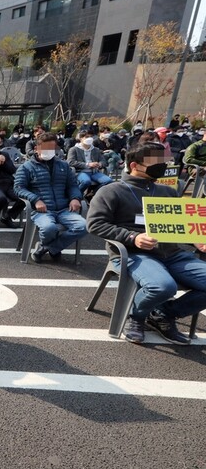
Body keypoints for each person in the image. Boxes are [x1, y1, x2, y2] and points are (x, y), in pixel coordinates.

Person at [86, 142, 206, 345]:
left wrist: (195, 239)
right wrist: (132, 237)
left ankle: (163, 314)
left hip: (172, 253)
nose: (162, 166)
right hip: (133, 253)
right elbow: (95, 224)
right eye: (156, 162)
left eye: (164, 161)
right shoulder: (111, 191)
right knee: (162, 287)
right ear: (134, 165)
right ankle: (136, 316)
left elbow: (177, 225)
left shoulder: (168, 191)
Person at [14, 132, 86, 262]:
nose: (49, 151)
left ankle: (48, 248)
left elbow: (72, 185)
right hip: (42, 210)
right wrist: (36, 200)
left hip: (64, 209)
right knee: (49, 228)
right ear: (37, 149)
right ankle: (53, 248)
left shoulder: (63, 165)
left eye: (52, 148)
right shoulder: (27, 167)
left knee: (84, 226)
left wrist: (76, 198)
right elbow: (18, 188)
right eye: (46, 148)